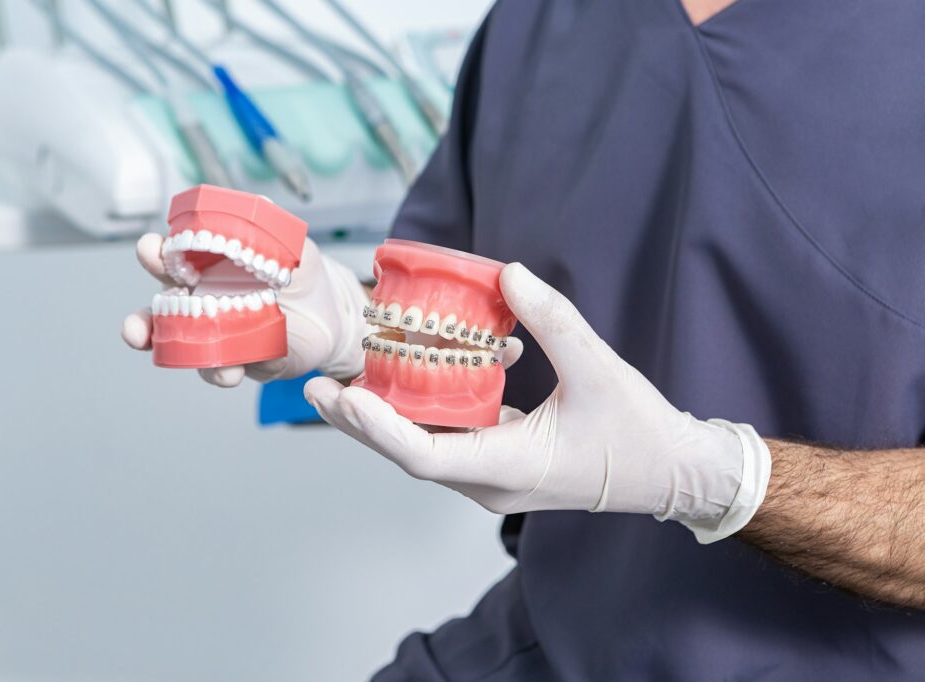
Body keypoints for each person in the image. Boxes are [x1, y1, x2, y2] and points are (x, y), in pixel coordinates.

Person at [123, 0, 925, 678]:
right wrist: (354, 327)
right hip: (560, 639)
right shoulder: (538, 27)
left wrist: (714, 477)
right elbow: (489, 341)